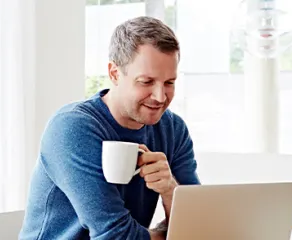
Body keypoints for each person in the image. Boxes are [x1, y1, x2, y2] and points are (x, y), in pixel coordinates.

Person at [19, 16, 200, 240]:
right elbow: (114, 235)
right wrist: (168, 235)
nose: (160, 96)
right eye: (146, 82)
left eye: (169, 83)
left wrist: (170, 191)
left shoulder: (173, 129)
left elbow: (198, 225)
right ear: (114, 73)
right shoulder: (72, 128)